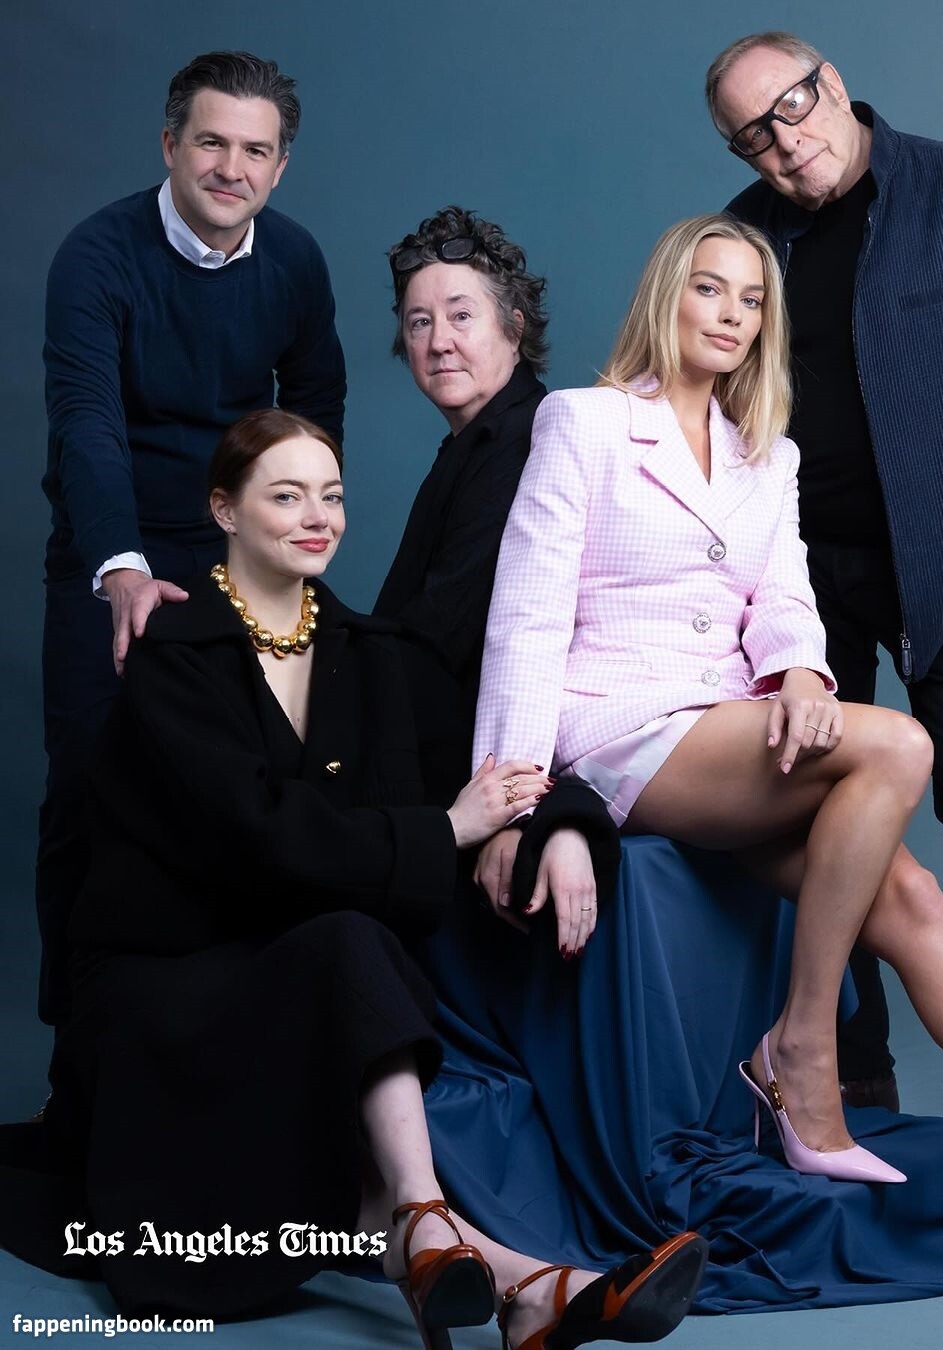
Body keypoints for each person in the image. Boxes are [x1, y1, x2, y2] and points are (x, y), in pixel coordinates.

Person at [1, 408, 708, 1347]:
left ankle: (487, 1265)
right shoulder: (174, 656)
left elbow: (507, 741)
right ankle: (484, 1259)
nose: (317, 518)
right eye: (286, 496)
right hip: (163, 987)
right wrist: (447, 829)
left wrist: (563, 827)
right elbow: (260, 841)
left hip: (306, 975)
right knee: (348, 943)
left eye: (331, 496)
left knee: (350, 945)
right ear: (224, 509)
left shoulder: (372, 652)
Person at [473, 214, 943, 1235]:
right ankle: (802, 1047)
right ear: (667, 296)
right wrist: (514, 798)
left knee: (910, 895)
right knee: (900, 742)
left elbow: (785, 594)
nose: (733, 315)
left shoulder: (768, 455)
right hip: (620, 723)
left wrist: (801, 669)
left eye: (753, 300)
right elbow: (526, 616)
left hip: (729, 719)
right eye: (711, 289)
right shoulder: (583, 423)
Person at [705, 31, 943, 1135]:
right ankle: (854, 1074)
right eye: (753, 134)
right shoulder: (747, 234)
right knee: (824, 818)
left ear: (833, 83)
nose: (785, 141)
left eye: (794, 105)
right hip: (800, 579)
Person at [37, 50, 347, 1026]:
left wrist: (288, 532)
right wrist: (120, 571)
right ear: (170, 144)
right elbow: (87, 425)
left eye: (255, 151)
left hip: (240, 546)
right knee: (91, 788)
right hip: (110, 545)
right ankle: (77, 1053)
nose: (231, 169)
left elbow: (316, 404)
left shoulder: (294, 260)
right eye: (212, 143)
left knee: (259, 789)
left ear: (280, 167)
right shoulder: (97, 256)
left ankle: (231, 1038)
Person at [377, 206, 615, 928]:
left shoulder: (526, 441)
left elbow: (441, 635)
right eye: (419, 322)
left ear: (514, 325)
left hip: (503, 748)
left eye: (460, 316)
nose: (438, 342)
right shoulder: (475, 440)